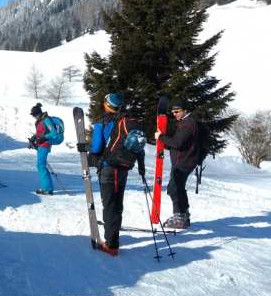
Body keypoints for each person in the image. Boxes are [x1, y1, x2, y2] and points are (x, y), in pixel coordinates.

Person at [76, 91, 145, 256]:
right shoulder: (128, 121)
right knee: (117, 202)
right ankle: (114, 235)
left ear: (106, 104)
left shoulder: (102, 123)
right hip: (123, 167)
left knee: (109, 205)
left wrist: (84, 147)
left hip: (108, 168)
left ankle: (112, 245)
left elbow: (96, 148)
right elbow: (139, 146)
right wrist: (141, 166)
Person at [155, 99, 199, 229]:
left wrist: (161, 137)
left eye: (176, 111)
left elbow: (177, 143)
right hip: (184, 160)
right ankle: (184, 215)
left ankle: (179, 218)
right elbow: (179, 143)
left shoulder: (188, 124)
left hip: (184, 162)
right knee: (179, 188)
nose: (174, 114)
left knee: (173, 189)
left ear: (185, 110)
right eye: (173, 111)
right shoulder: (186, 123)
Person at [29, 103, 59, 195]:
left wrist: (42, 137)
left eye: (34, 115)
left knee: (41, 166)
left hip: (44, 145)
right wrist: (34, 137)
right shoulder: (40, 120)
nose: (34, 117)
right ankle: (47, 188)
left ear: (38, 113)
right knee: (41, 165)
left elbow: (53, 132)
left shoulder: (46, 120)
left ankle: (47, 188)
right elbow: (40, 132)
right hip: (41, 144)